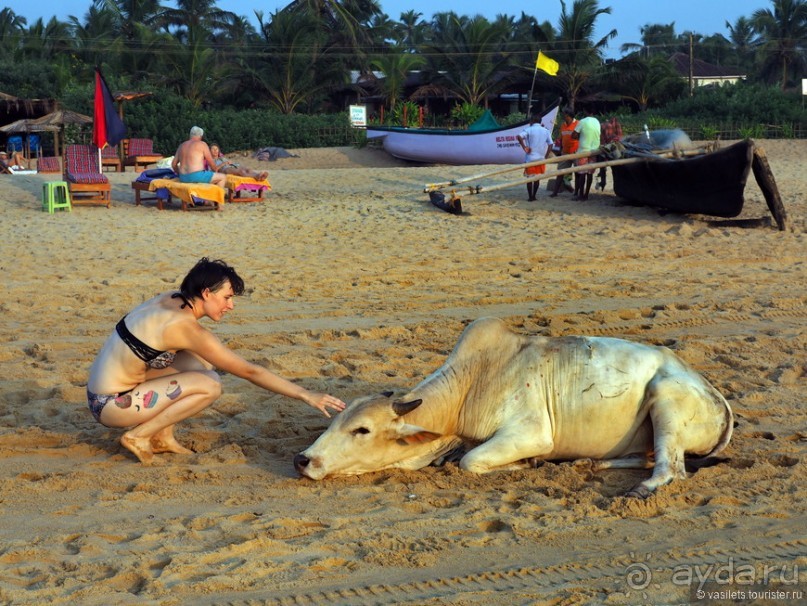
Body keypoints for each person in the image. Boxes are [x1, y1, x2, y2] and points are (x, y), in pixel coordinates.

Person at [87, 257, 346, 464]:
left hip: (104, 390)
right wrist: (305, 394)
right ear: (206, 293)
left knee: (200, 364)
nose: (231, 306)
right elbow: (249, 371)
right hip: (112, 406)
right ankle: (138, 436)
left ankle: (162, 436)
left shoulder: (170, 299)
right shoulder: (185, 328)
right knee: (210, 384)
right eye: (227, 297)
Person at [516, 114, 553, 201]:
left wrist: (524, 147)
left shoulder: (529, 129)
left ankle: (530, 197)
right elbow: (550, 144)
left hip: (530, 158)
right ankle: (534, 196)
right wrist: (546, 156)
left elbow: (519, 137)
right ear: (540, 122)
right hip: (541, 158)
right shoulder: (545, 131)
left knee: (529, 178)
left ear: (532, 121)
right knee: (537, 178)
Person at [571, 107, 601, 201]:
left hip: (583, 150)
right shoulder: (597, 121)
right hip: (594, 150)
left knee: (582, 173)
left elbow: (573, 135)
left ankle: (580, 195)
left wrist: (580, 137)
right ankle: (586, 195)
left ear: (585, 111)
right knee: (590, 174)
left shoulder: (583, 121)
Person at [549, 108, 579, 198]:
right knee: (560, 172)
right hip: (565, 152)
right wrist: (560, 151)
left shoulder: (578, 124)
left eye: (564, 114)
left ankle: (576, 192)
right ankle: (555, 192)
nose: (562, 116)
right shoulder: (563, 125)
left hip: (576, 152)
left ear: (568, 115)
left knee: (577, 172)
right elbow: (561, 139)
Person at [597, 116, 623, 190]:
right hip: (613, 147)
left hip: (608, 147)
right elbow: (620, 137)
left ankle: (603, 182)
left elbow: (602, 139)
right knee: (615, 168)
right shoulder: (616, 125)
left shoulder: (604, 125)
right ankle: (605, 182)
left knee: (602, 166)